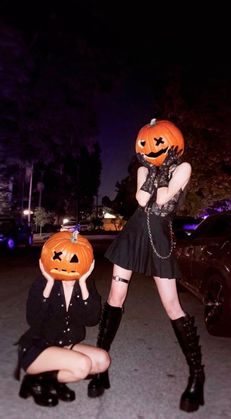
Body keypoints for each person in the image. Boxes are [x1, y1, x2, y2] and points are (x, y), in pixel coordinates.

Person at [87, 123, 205, 413]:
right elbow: (141, 200)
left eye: (157, 143)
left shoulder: (184, 168)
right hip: (134, 234)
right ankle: (102, 367)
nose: (150, 148)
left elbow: (164, 199)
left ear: (172, 142)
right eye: (144, 144)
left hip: (160, 239)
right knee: (115, 297)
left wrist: (163, 172)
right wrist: (152, 171)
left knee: (172, 305)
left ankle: (196, 375)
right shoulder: (143, 170)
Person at [15, 258, 110, 407]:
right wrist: (49, 283)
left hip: (64, 345)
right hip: (37, 347)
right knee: (82, 366)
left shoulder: (84, 283)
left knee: (102, 361)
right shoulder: (44, 283)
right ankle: (34, 381)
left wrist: (83, 283)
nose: (70, 263)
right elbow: (33, 320)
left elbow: (92, 319)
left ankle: (53, 381)